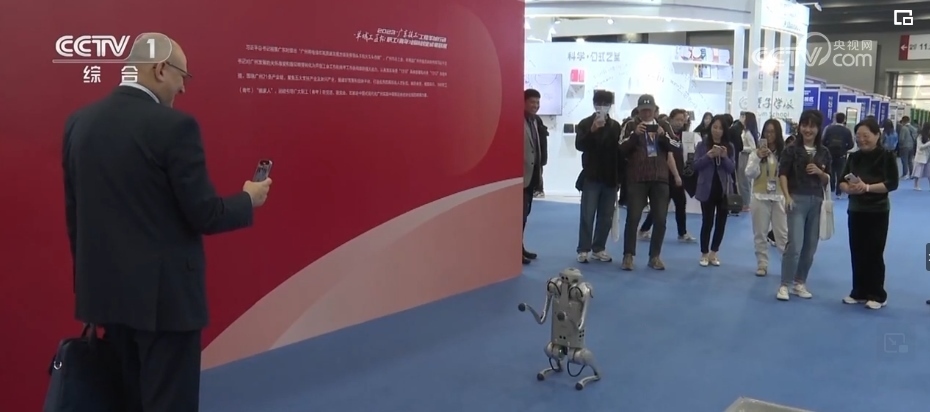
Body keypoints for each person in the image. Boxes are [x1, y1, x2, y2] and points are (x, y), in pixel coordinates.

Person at [63, 33, 272, 412]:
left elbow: (76, 216)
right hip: (166, 304)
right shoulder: (175, 127)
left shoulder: (79, 123)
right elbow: (205, 213)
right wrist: (249, 199)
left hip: (107, 299)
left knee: (128, 401)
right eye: (183, 77)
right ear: (161, 69)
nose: (183, 88)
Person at [838, 118, 899, 309]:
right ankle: (859, 291)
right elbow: (841, 181)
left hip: (877, 210)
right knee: (857, 251)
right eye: (858, 136)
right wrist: (848, 188)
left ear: (877, 135)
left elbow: (892, 183)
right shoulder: (854, 157)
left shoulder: (886, 156)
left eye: (866, 136)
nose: (862, 140)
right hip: (856, 209)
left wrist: (867, 188)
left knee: (874, 252)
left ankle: (877, 294)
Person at [618, 94, 683, 271]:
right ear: (638, 111)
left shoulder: (664, 125)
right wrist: (634, 135)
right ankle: (628, 255)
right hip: (637, 178)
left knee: (660, 219)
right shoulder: (630, 125)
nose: (646, 113)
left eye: (649, 110)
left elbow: (676, 146)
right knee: (633, 217)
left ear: (655, 110)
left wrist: (663, 136)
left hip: (660, 178)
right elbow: (620, 148)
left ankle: (655, 256)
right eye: (643, 110)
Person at [776, 109, 831, 301]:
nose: (808, 129)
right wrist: (787, 196)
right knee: (795, 244)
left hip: (817, 201)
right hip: (796, 200)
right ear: (799, 127)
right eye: (804, 125)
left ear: (818, 129)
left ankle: (800, 282)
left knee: (810, 247)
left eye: (812, 126)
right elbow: (782, 174)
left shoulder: (824, 152)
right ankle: (784, 284)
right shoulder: (791, 150)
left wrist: (820, 172)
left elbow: (828, 179)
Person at [574, 90, 622, 263]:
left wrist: (619, 178)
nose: (602, 106)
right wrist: (592, 130)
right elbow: (579, 145)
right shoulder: (585, 123)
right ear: (594, 104)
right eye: (599, 103)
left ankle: (599, 248)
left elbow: (619, 153)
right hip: (591, 176)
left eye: (606, 104)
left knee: (606, 216)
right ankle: (583, 249)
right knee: (587, 215)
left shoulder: (616, 126)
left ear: (610, 105)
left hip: (610, 177)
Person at [639, 108, 696, 242]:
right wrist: (676, 175)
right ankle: (645, 229)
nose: (680, 122)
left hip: (678, 174)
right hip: (667, 175)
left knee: (678, 204)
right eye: (677, 119)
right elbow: (668, 156)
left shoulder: (683, 135)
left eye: (682, 120)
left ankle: (681, 232)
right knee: (661, 206)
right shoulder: (664, 135)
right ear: (670, 119)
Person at [745, 119, 787, 276]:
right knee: (760, 233)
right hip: (760, 196)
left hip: (779, 197)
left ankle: (787, 266)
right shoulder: (755, 153)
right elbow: (749, 173)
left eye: (773, 132)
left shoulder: (784, 154)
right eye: (767, 132)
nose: (769, 135)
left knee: (782, 235)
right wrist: (757, 157)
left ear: (778, 134)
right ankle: (762, 264)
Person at [693, 115, 736, 267]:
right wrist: (708, 156)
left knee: (721, 223)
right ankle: (704, 253)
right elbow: (695, 165)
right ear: (710, 128)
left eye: (720, 128)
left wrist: (724, 157)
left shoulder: (729, 146)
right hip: (707, 188)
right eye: (714, 127)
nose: (717, 131)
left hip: (724, 189)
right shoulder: (702, 145)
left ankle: (714, 252)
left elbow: (732, 168)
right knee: (707, 221)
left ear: (725, 131)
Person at [523, 88, 544, 264]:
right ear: (523, 102)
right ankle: (514, 250)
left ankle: (519, 247)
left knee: (525, 215)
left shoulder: (535, 121)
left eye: (537, 102)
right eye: (532, 102)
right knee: (519, 216)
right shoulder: (517, 120)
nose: (535, 105)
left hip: (532, 176)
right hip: (520, 177)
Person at [822, 113, 855, 197]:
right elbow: (851, 144)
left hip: (830, 154)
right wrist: (845, 149)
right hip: (841, 155)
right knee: (840, 172)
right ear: (844, 120)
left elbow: (823, 141)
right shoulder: (847, 131)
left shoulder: (829, 129)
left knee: (831, 171)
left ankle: (831, 189)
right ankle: (839, 191)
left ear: (835, 118)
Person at [736, 112, 760, 211]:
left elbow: (753, 148)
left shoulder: (748, 133)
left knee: (744, 181)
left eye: (744, 117)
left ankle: (746, 203)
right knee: (741, 181)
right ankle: (744, 202)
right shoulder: (744, 131)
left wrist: (742, 148)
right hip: (742, 156)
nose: (741, 118)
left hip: (745, 157)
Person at [911, 122, 930, 190]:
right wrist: (928, 143)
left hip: (928, 157)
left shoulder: (928, 136)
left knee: (929, 172)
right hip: (920, 157)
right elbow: (920, 147)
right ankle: (916, 185)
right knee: (918, 172)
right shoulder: (920, 136)